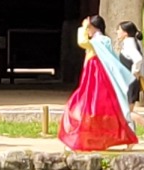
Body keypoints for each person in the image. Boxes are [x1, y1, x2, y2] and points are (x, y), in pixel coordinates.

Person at [59, 13, 139, 153]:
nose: (87, 31)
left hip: (97, 79)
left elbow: (82, 42)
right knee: (91, 109)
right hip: (93, 77)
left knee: (89, 108)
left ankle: (80, 140)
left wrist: (82, 28)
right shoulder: (101, 40)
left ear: (94, 27)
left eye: (89, 28)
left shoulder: (101, 40)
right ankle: (83, 140)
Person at [116, 20, 144, 139]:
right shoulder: (132, 41)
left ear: (125, 33)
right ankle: (131, 134)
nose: (117, 32)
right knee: (126, 111)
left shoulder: (129, 43)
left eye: (119, 30)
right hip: (131, 82)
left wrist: (134, 73)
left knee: (127, 112)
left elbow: (137, 59)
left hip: (130, 82)